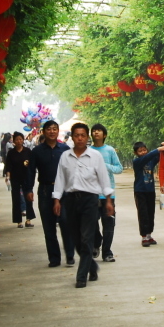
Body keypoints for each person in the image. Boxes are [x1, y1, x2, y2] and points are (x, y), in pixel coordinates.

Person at [52, 123, 113, 288]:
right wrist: (57, 199)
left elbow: (103, 178)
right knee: (75, 238)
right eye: (77, 135)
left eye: (83, 135)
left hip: (90, 200)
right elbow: (60, 179)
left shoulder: (95, 156)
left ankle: (81, 276)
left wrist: (108, 199)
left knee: (87, 238)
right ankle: (92, 266)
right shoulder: (65, 156)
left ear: (87, 138)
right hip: (70, 200)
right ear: (72, 137)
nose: (80, 138)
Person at [29, 120, 75, 267]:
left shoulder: (65, 149)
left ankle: (70, 255)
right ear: (44, 131)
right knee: (48, 227)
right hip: (45, 190)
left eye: (55, 129)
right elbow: (30, 172)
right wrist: (28, 189)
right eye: (49, 129)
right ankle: (54, 258)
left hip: (65, 192)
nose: (52, 131)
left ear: (58, 131)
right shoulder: (36, 151)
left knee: (66, 223)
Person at [89, 123, 123, 262]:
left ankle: (107, 252)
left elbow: (119, 168)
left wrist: (105, 165)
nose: (96, 133)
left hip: (108, 194)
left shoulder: (109, 151)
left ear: (104, 134)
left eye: (99, 131)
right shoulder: (88, 151)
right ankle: (97, 242)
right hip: (92, 193)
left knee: (109, 224)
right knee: (91, 222)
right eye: (94, 131)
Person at [5, 131, 36, 228]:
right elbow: (8, 166)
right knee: (16, 199)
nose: (19, 141)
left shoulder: (27, 151)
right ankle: (18, 221)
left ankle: (28, 219)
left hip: (26, 178)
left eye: (20, 139)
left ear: (23, 140)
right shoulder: (11, 153)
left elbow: (32, 165)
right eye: (17, 140)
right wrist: (8, 176)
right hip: (15, 178)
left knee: (28, 197)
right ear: (13, 141)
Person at [132, 142, 160, 247]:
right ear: (136, 153)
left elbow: (158, 157)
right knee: (143, 213)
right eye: (140, 151)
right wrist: (158, 149)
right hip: (140, 191)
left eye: (144, 150)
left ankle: (149, 234)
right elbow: (151, 155)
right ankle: (143, 236)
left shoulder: (151, 161)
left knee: (150, 212)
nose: (143, 152)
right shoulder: (137, 162)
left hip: (150, 190)